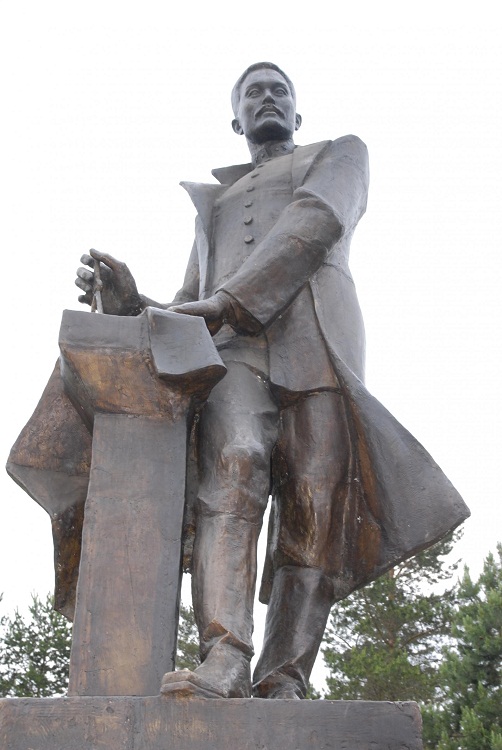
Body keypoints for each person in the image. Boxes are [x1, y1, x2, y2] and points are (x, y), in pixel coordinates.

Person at [76, 62, 469, 700]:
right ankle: (225, 656)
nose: (267, 97)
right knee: (231, 468)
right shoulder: (215, 205)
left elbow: (314, 222)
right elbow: (188, 302)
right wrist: (130, 303)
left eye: (279, 89)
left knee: (316, 507)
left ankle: (285, 676)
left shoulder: (340, 156)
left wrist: (225, 302)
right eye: (252, 92)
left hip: (320, 347)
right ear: (236, 120)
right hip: (235, 354)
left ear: (297, 111)